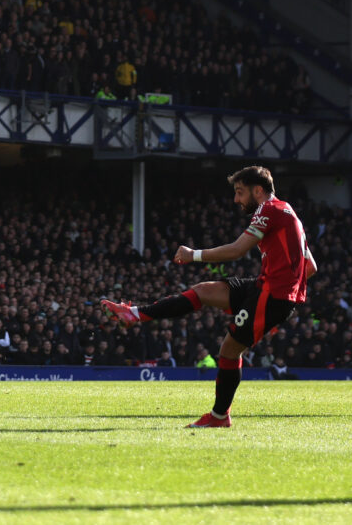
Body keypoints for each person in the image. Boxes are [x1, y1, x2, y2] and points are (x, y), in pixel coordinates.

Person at [102, 166, 316, 428]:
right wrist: (288, 285)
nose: (236, 199)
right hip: (269, 287)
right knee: (204, 291)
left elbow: (237, 250)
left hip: (272, 293)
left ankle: (219, 416)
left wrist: (194, 254)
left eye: (239, 192)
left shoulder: (268, 209)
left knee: (229, 349)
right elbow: (311, 267)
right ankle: (135, 313)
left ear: (257, 190)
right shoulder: (288, 211)